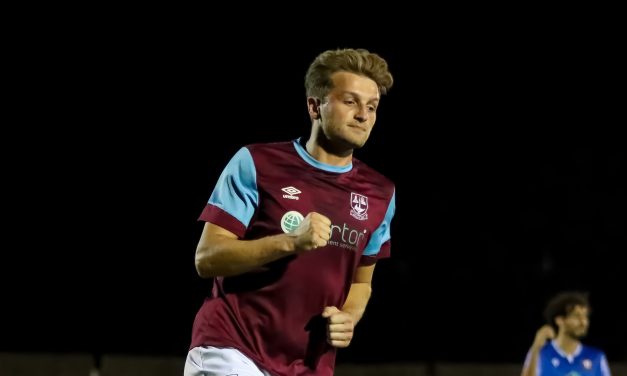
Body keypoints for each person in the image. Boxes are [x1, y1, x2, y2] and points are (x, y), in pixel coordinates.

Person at [184, 48, 396, 376]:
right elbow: (207, 258)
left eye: (372, 107)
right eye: (350, 101)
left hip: (310, 365)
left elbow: (361, 282)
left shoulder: (381, 193)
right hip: (232, 348)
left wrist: (349, 317)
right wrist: (289, 242)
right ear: (315, 106)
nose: (363, 115)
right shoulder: (257, 163)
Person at [521, 291, 612, 376]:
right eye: (577, 316)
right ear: (560, 320)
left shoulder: (597, 357)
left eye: (585, 316)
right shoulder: (539, 353)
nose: (583, 322)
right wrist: (536, 347)